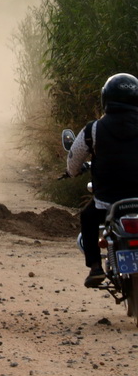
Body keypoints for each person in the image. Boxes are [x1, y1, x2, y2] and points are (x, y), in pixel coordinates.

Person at [67, 73, 138, 287]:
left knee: (88, 219)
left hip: (107, 203)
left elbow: (73, 162)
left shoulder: (93, 129)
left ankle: (96, 267)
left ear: (105, 99)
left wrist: (72, 172)